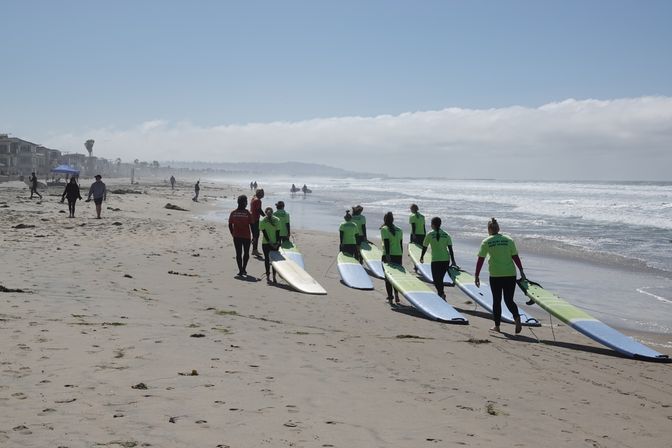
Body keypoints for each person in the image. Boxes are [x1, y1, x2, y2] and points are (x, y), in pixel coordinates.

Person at [474, 218, 525, 334]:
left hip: (496, 275)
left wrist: (476, 275)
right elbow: (515, 257)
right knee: (509, 300)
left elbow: (480, 260)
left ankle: (497, 326)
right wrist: (521, 271)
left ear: (489, 229)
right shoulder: (508, 240)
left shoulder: (486, 241)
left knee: (497, 301)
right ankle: (516, 316)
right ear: (499, 228)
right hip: (510, 274)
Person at [419, 217, 456, 300]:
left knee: (436, 280)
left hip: (436, 260)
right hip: (446, 260)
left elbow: (425, 246)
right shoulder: (446, 234)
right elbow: (450, 250)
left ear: (432, 224)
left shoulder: (430, 234)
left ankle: (441, 293)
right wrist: (453, 261)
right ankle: (441, 294)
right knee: (440, 279)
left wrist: (422, 256)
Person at [380, 211, 403, 305]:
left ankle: (390, 298)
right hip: (398, 255)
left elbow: (386, 243)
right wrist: (401, 254)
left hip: (388, 255)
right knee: (396, 277)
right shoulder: (399, 230)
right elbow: (401, 244)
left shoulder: (384, 229)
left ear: (385, 220)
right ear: (393, 220)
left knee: (388, 278)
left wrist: (388, 255)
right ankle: (396, 295)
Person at [228, 195, 253, 277]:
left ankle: (241, 270)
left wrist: (233, 234)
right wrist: (255, 236)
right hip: (246, 236)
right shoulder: (248, 213)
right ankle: (243, 269)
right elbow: (252, 225)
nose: (246, 203)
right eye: (246, 201)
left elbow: (230, 225)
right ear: (244, 202)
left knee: (238, 253)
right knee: (246, 253)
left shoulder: (233, 213)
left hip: (236, 236)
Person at [259, 206, 281, 284]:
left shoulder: (262, 220)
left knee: (267, 260)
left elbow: (264, 233)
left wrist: (269, 242)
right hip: (275, 243)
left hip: (266, 243)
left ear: (265, 213)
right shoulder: (277, 220)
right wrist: (277, 243)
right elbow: (278, 233)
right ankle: (274, 277)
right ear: (272, 212)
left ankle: (268, 276)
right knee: (274, 261)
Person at [250, 188, 264, 256]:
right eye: (262, 193)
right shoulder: (258, 200)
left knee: (254, 235)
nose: (263, 195)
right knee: (256, 235)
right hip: (255, 219)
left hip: (251, 219)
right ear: (259, 193)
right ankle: (254, 250)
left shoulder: (253, 198)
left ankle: (254, 249)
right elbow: (259, 210)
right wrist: (265, 216)